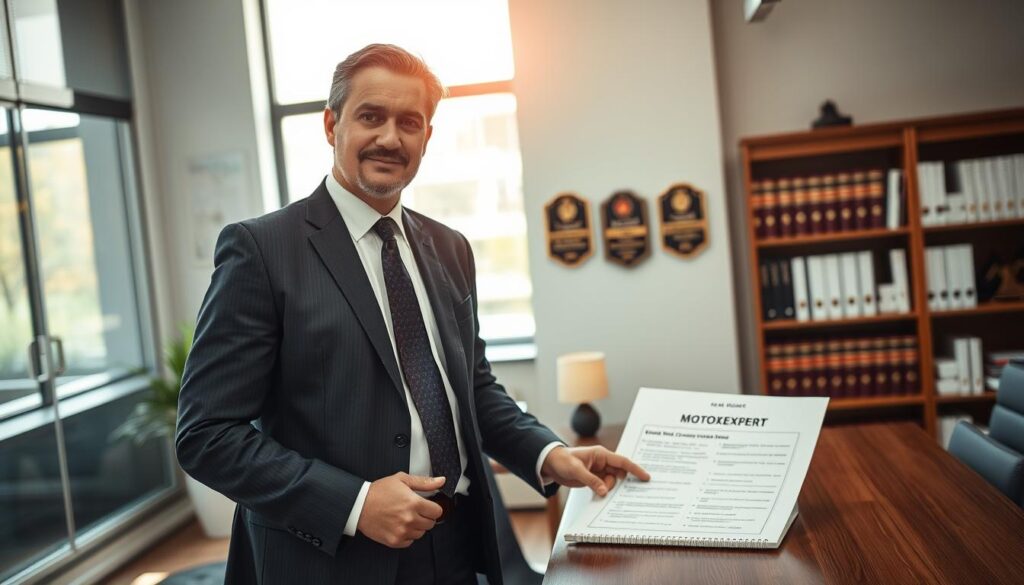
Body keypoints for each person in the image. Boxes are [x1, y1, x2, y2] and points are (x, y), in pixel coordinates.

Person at [175, 43, 649, 585]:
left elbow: (472, 388)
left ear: (427, 136)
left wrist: (549, 454)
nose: (390, 138)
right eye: (370, 117)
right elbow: (206, 434)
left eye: (410, 122)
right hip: (331, 557)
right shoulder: (261, 250)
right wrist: (356, 503)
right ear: (332, 125)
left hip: (458, 544)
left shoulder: (450, 248)